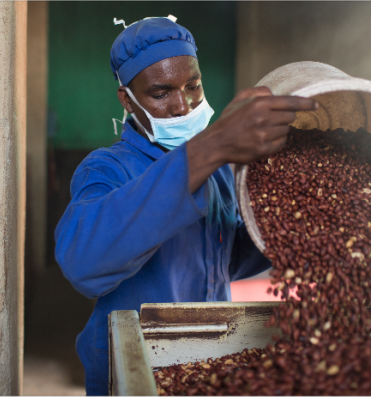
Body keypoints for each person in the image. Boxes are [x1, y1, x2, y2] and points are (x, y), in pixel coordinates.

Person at [55, 16, 318, 395]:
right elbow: (82, 261)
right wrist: (211, 147)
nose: (183, 105)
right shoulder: (108, 168)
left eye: (193, 86)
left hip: (210, 362)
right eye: (161, 94)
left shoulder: (220, 171)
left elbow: (224, 258)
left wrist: (292, 229)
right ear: (127, 101)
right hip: (137, 369)